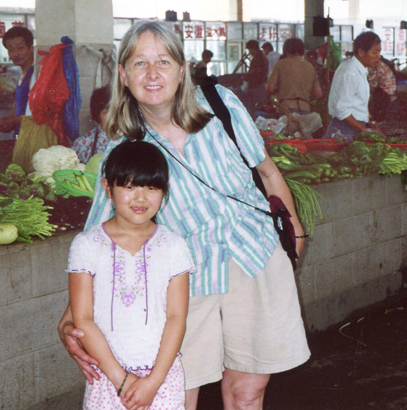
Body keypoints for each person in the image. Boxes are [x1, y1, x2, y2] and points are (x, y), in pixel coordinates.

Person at [58, 20, 310, 410]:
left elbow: (268, 171)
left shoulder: (221, 105)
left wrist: (295, 231)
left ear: (181, 68)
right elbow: (100, 237)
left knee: (247, 393)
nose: (153, 73)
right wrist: (70, 318)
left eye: (163, 61)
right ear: (123, 75)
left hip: (255, 257)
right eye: (140, 63)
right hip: (185, 283)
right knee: (178, 398)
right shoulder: (124, 151)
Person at [67, 139, 193, 409]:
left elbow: (176, 318)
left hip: (161, 380)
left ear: (165, 191)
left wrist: (153, 381)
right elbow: (83, 319)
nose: (140, 197)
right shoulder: (86, 245)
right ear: (107, 188)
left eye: (151, 187)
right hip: (107, 377)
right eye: (129, 186)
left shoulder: (174, 246)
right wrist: (121, 380)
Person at [325, 31, 382, 138]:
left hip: (354, 126)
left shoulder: (359, 70)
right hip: (346, 129)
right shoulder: (350, 72)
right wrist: (365, 131)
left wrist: (371, 122)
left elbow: (357, 103)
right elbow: (342, 110)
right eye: (375, 52)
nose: (378, 56)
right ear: (361, 52)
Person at [267, 38, 322, 114]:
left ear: (285, 50)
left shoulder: (280, 64)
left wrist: (279, 92)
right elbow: (318, 94)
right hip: (305, 109)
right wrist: (305, 97)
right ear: (302, 51)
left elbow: (270, 88)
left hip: (285, 108)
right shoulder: (310, 66)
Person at [0, 27, 35, 133]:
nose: (15, 54)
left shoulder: (35, 75)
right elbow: (18, 105)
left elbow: (42, 114)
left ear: (31, 48)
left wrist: (13, 120)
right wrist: (8, 121)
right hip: (22, 137)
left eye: (20, 48)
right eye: (11, 50)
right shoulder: (22, 75)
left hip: (33, 138)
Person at [71, 86, 111, 163]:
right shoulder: (83, 144)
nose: (113, 117)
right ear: (97, 115)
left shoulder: (130, 139)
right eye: (106, 113)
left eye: (117, 111)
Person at [241, 39, 269, 116]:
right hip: (259, 86)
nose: (250, 52)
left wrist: (247, 75)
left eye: (250, 50)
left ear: (253, 48)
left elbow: (257, 70)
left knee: (257, 109)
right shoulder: (261, 57)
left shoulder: (258, 58)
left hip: (257, 87)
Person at [367, 57, 397, 122]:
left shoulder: (373, 66)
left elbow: (371, 85)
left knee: (378, 121)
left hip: (383, 97)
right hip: (392, 96)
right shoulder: (381, 64)